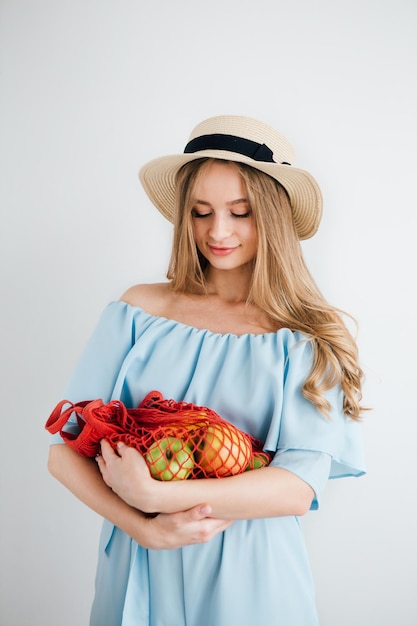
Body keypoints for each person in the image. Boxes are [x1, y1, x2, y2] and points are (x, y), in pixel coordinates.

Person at [47, 115, 366, 626]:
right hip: (139, 561)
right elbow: (64, 454)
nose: (218, 232)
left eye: (240, 212)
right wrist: (142, 525)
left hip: (250, 573)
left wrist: (157, 496)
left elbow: (297, 487)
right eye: (201, 212)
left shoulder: (305, 336)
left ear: (273, 217)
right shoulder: (136, 313)